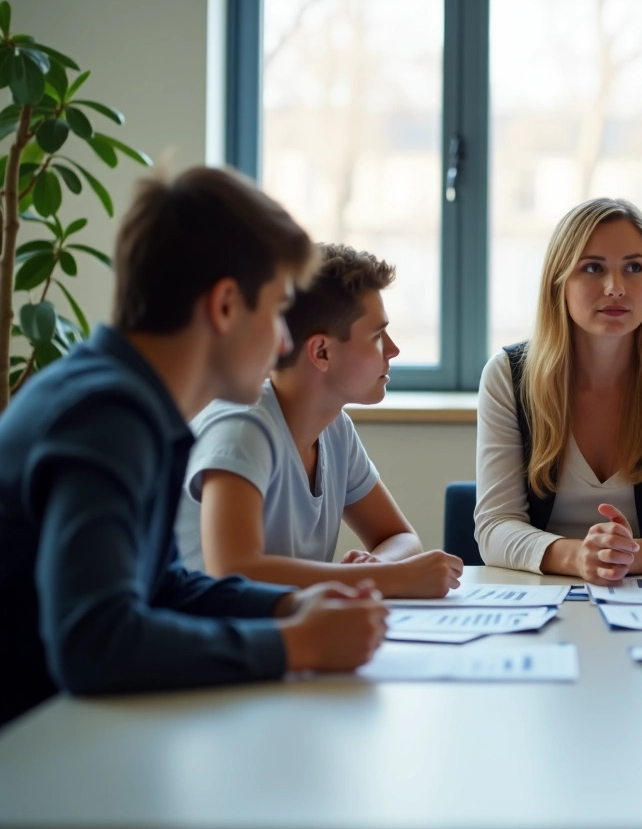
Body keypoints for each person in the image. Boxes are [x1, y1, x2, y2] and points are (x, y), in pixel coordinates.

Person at [0, 168, 388, 729]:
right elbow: (95, 642)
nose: (285, 341)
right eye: (279, 310)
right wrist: (294, 645)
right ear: (226, 305)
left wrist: (287, 606)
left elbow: (162, 585)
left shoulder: (131, 401)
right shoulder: (106, 417)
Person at [475, 198, 642, 584]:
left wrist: (626, 557)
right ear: (559, 282)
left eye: (634, 268)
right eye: (592, 268)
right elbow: (495, 527)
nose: (616, 288)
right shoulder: (507, 375)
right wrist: (578, 556)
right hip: (541, 595)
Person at [175, 242, 462, 597]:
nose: (393, 350)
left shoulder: (335, 428)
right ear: (321, 352)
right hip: (207, 645)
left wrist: (378, 569)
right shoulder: (241, 428)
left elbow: (399, 537)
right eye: (376, 336)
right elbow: (232, 571)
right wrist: (392, 579)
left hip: (273, 638)